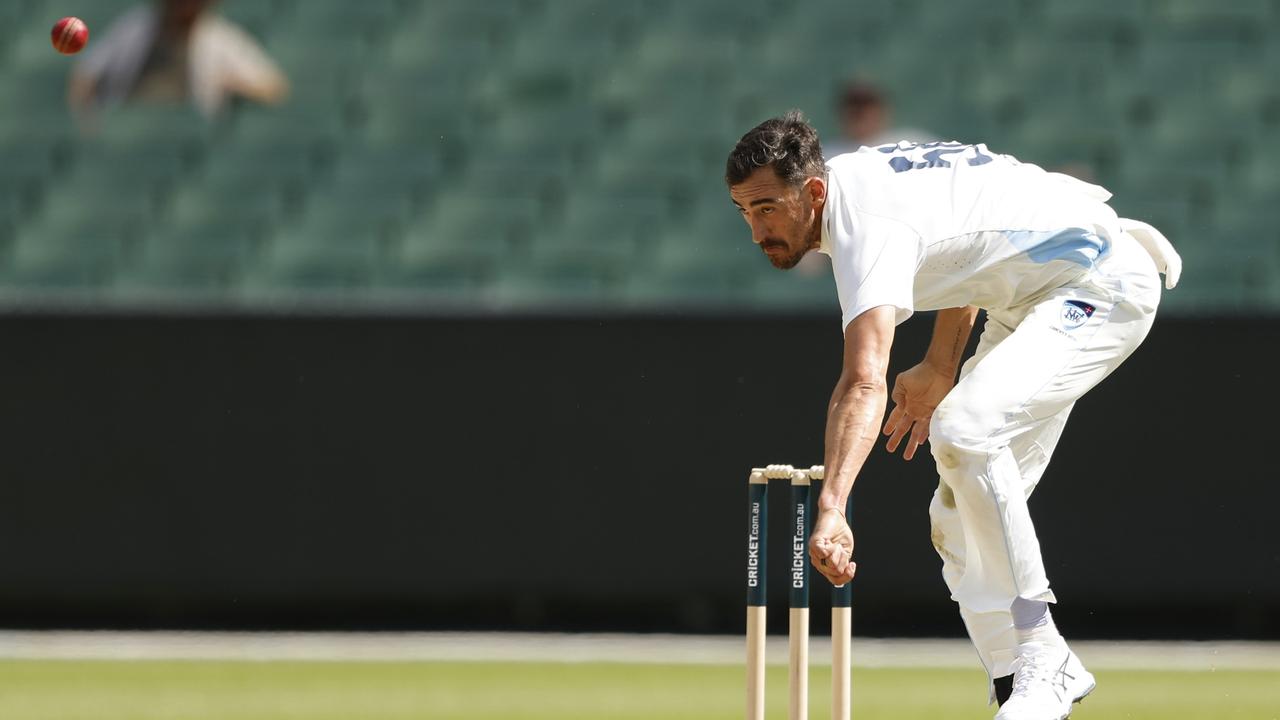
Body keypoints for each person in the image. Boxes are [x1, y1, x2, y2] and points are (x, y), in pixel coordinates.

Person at [725, 111, 1181, 720]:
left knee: (964, 429)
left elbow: (864, 381)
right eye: (745, 213)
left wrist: (832, 507)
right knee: (958, 515)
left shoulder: (864, 225)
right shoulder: (855, 179)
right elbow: (966, 246)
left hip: (1098, 282)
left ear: (811, 191)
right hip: (1030, 294)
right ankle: (1020, 687)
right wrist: (942, 362)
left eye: (767, 209)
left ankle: (1045, 653)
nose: (757, 232)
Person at [68, 0, 288, 123]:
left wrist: (233, 84)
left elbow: (274, 87)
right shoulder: (136, 27)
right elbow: (87, 72)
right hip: (129, 125)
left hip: (188, 129)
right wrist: (87, 121)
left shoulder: (219, 38)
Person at [825, 81, 937, 156]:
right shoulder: (826, 155)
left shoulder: (914, 144)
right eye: (853, 103)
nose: (860, 111)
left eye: (866, 103)